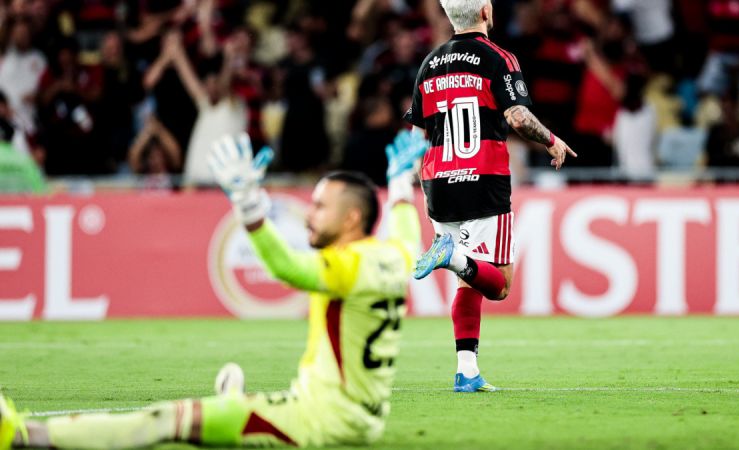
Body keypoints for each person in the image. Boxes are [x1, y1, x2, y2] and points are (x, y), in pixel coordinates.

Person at [0, 130, 427, 449]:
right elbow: (407, 231)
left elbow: (287, 268)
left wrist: (249, 206)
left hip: (320, 421)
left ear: (351, 218)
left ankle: (25, 435)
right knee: (237, 409)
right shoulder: (392, 256)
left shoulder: (345, 265)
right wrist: (401, 183)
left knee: (163, 420)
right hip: (362, 419)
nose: (309, 215)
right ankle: (235, 404)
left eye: (319, 207)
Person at [404, 0, 577, 392]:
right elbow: (516, 117)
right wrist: (551, 140)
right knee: (497, 283)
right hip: (483, 177)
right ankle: (451, 255)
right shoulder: (498, 57)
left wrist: (424, 180)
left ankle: (466, 371)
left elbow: (415, 137)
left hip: (437, 180)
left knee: (468, 281)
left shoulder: (430, 63)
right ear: (485, 11)